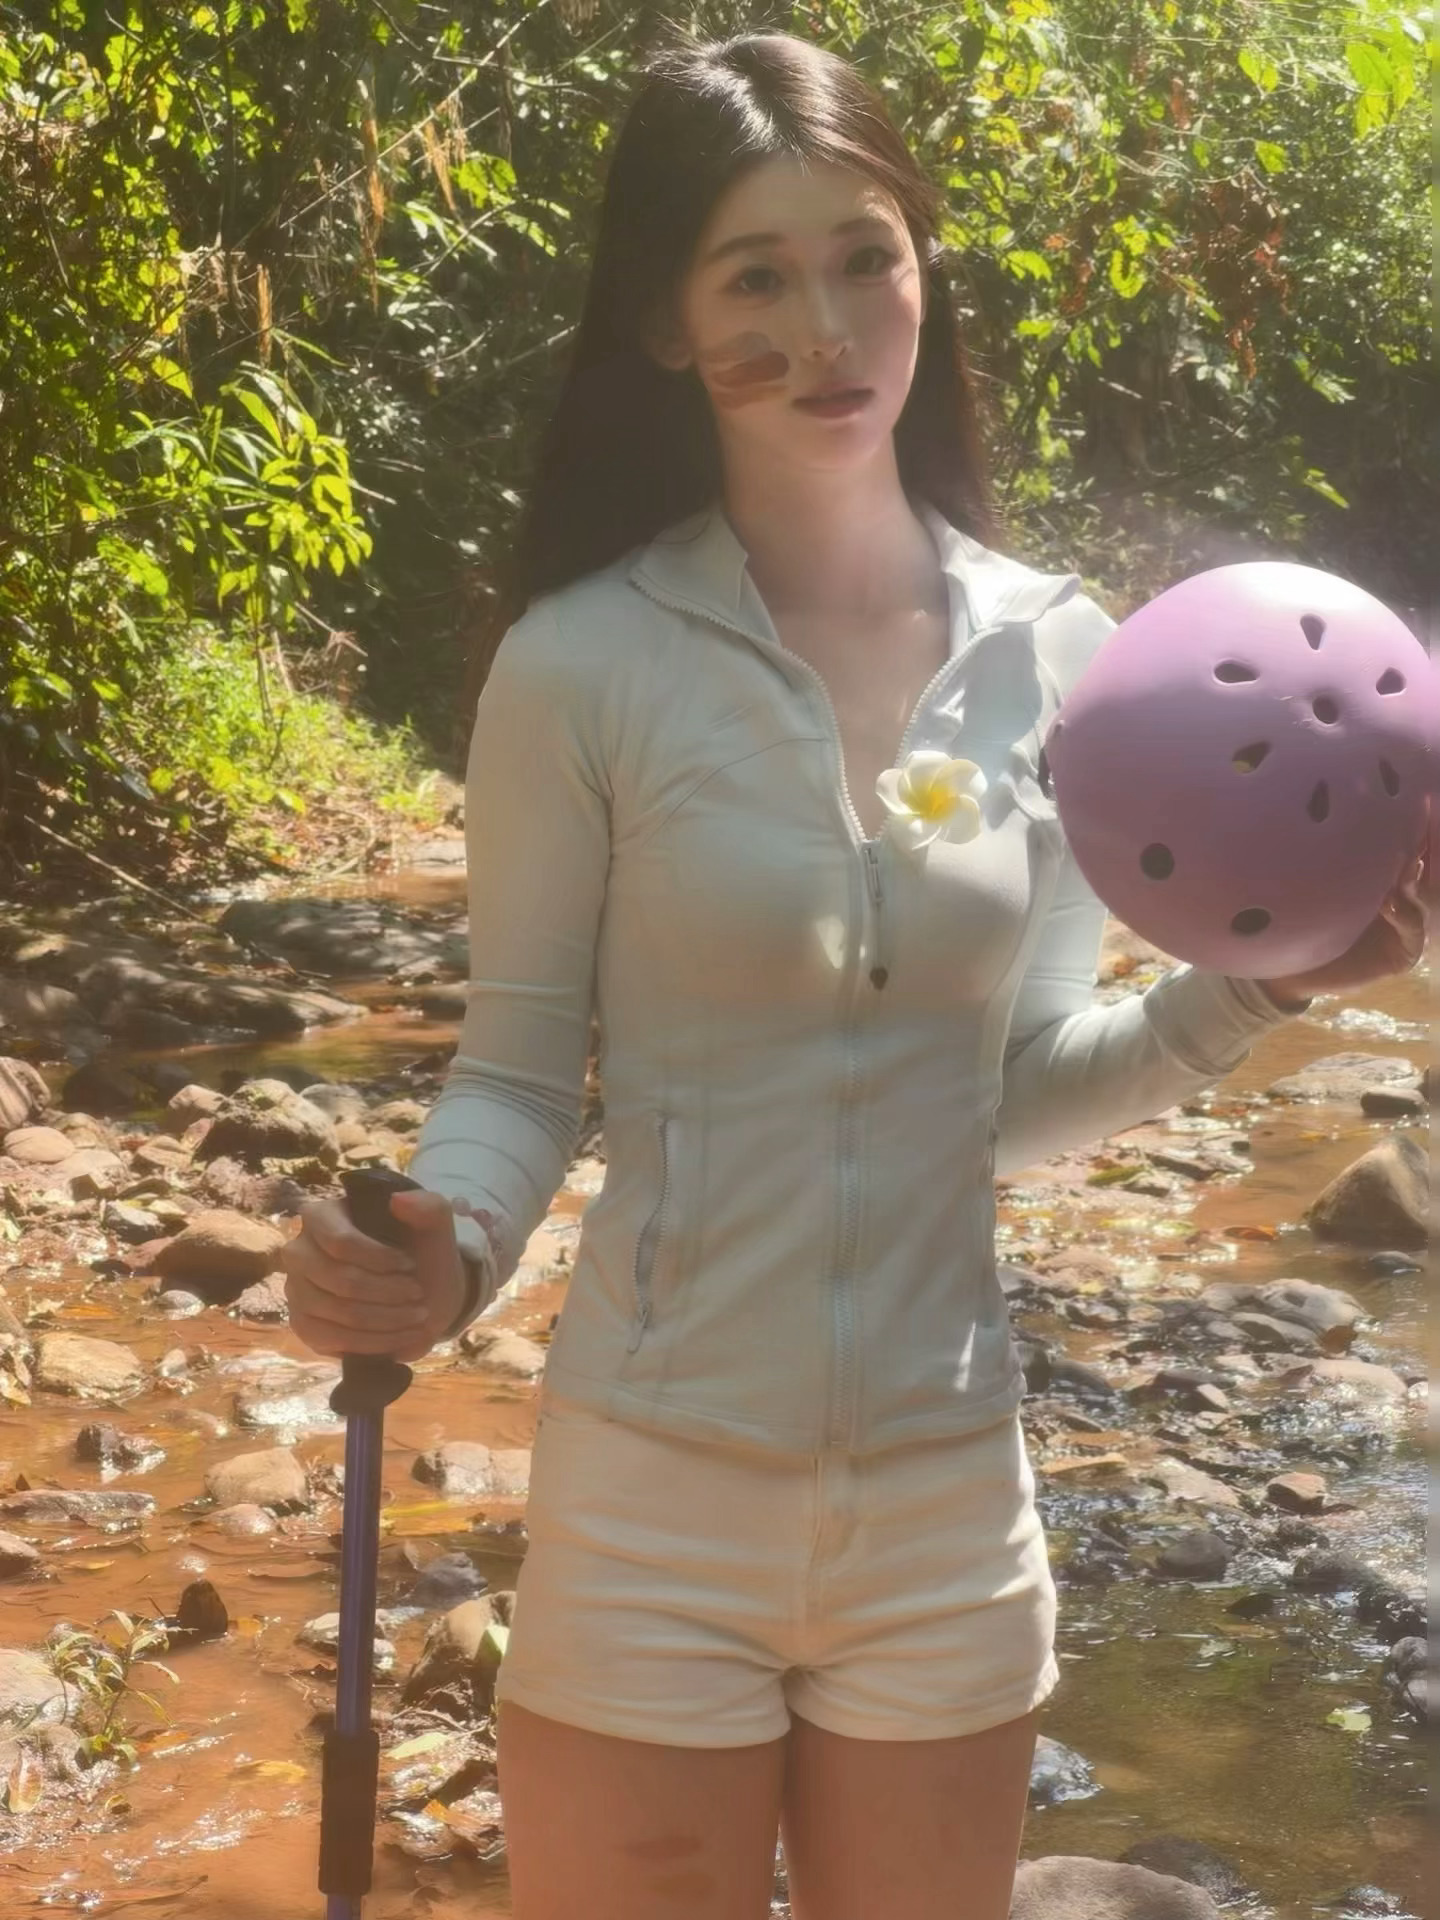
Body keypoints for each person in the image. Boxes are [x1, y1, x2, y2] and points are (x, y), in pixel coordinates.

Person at [280, 32, 1432, 1920]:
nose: (825, 328)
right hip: (649, 1508)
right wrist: (442, 1251)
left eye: (865, 258)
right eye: (755, 276)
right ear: (665, 323)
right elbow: (517, 1075)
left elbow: (1011, 1093)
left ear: (923, 269)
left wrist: (1266, 987)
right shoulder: (582, 664)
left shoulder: (1064, 661)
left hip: (944, 1517)